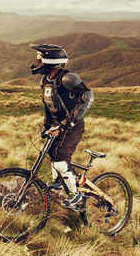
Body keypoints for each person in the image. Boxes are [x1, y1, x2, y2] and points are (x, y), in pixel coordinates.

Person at [30, 44, 94, 209]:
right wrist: (47, 126)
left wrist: (68, 122)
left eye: (40, 58)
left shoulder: (67, 78)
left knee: (60, 155)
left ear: (51, 60)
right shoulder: (45, 81)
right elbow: (48, 105)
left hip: (73, 126)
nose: (37, 61)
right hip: (58, 125)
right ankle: (58, 181)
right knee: (50, 152)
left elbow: (88, 96)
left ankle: (76, 195)